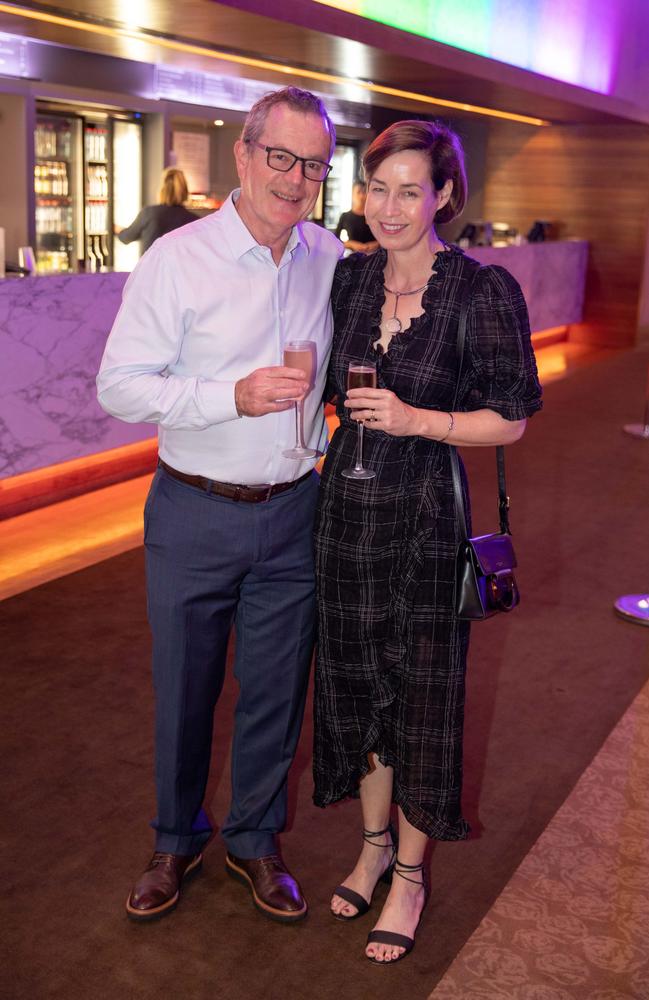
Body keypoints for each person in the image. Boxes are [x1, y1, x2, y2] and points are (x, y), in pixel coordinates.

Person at [97, 86, 341, 924]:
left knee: (277, 689)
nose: (296, 178)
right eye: (282, 157)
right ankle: (174, 837)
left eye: (313, 164)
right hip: (194, 508)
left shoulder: (328, 257)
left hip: (294, 511)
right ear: (243, 154)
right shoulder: (179, 257)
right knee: (185, 686)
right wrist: (229, 396)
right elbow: (119, 386)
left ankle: (255, 839)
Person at [313, 120, 542, 963]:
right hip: (344, 516)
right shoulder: (348, 280)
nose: (391, 207)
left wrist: (419, 420)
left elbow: (511, 420)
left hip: (424, 525)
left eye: (411, 190)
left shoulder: (482, 292)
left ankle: (410, 872)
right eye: (378, 188)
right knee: (356, 685)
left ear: (444, 195)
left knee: (420, 700)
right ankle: (372, 845)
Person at [115, 167, 198, 254]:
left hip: (151, 267)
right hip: (179, 267)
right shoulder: (194, 220)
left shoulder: (149, 213)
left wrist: (115, 228)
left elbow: (126, 237)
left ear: (162, 190)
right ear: (185, 191)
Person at [334, 180, 378, 254]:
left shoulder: (375, 215)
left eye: (364, 192)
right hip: (353, 257)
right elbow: (335, 241)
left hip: (374, 257)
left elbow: (387, 238)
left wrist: (376, 244)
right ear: (352, 194)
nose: (361, 196)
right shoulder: (345, 216)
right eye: (358, 192)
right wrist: (351, 244)